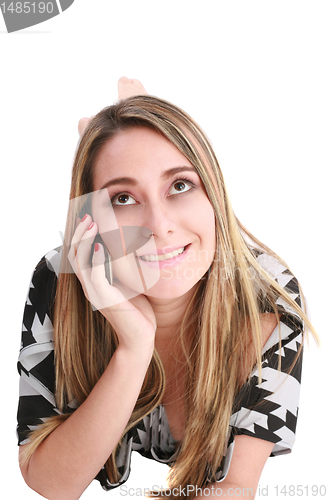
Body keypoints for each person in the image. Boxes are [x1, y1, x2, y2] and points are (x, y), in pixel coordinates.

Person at [17, 78, 318, 499]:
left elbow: (235, 487)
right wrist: (134, 347)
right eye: (123, 198)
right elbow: (51, 483)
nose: (159, 227)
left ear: (214, 195)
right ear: (91, 219)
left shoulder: (266, 297)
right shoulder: (60, 278)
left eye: (180, 185)